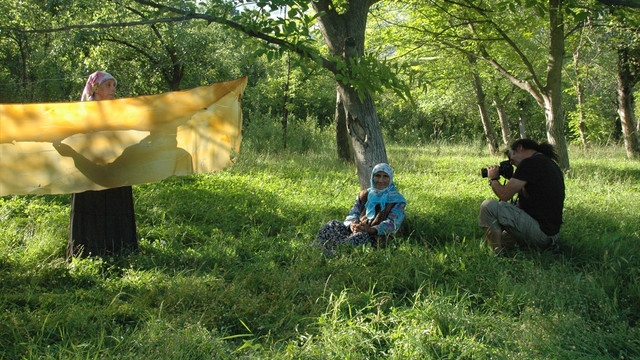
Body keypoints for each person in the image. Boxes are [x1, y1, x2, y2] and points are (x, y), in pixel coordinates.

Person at [59, 71, 138, 257]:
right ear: (96, 88)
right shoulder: (83, 113)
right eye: (108, 85)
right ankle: (89, 249)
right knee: (91, 204)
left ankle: (118, 248)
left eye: (114, 86)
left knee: (115, 203)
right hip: (89, 167)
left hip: (115, 167)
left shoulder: (117, 111)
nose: (113, 90)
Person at [478, 139, 565, 254]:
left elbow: (504, 195)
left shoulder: (529, 163)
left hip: (541, 233)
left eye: (511, 157)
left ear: (520, 148)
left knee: (488, 206)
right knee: (500, 238)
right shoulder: (548, 163)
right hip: (550, 235)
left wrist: (493, 179)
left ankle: (497, 256)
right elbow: (523, 206)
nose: (511, 163)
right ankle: (536, 249)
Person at [314, 163, 407, 257]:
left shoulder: (398, 200)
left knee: (360, 237)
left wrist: (371, 230)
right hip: (358, 230)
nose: (381, 180)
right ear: (372, 177)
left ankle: (335, 252)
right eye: (377, 176)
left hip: (377, 236)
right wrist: (352, 225)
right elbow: (354, 212)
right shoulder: (364, 194)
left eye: (385, 176)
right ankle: (316, 249)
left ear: (390, 178)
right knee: (333, 224)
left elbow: (392, 223)